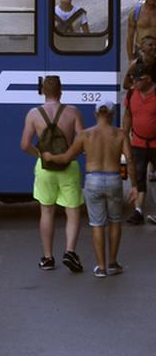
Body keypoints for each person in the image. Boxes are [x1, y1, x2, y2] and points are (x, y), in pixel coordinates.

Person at [43, 101, 130, 276]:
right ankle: (113, 263)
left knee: (97, 224)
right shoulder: (120, 134)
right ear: (112, 115)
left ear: (95, 114)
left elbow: (67, 157)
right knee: (115, 221)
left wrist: (50, 157)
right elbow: (130, 159)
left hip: (93, 180)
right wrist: (135, 186)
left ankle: (101, 268)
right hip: (114, 179)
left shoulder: (85, 135)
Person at [20, 75, 84, 271]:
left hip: (45, 168)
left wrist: (41, 154)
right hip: (69, 165)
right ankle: (70, 251)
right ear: (61, 91)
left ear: (42, 92)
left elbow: (24, 145)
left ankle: (48, 257)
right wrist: (67, 155)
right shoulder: (72, 112)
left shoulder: (33, 114)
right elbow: (82, 142)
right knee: (72, 211)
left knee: (47, 211)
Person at [124, 66, 156, 225]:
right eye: (132, 78)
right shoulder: (131, 94)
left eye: (137, 78)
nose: (134, 81)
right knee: (138, 177)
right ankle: (138, 211)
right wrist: (124, 136)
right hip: (138, 142)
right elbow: (128, 115)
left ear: (148, 79)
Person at [126, 0, 156, 64]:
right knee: (141, 75)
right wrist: (130, 58)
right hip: (141, 51)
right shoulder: (135, 13)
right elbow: (130, 37)